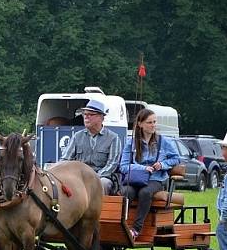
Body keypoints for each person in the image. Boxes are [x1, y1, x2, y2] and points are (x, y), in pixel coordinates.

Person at [119, 108, 180, 239]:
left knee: (145, 193)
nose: (153, 125)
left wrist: (162, 165)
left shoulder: (163, 141)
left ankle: (136, 229)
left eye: (154, 122)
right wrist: (142, 168)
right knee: (126, 192)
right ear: (140, 124)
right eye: (149, 122)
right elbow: (123, 166)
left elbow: (176, 158)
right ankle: (121, 225)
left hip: (155, 179)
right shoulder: (131, 143)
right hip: (136, 178)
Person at [61, 99, 122, 195]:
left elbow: (112, 164)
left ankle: (102, 209)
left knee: (103, 183)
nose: (86, 117)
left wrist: (94, 177)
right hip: (79, 176)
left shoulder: (113, 138)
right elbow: (65, 159)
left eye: (90, 114)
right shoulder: (77, 136)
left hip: (101, 177)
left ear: (101, 118)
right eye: (85, 114)